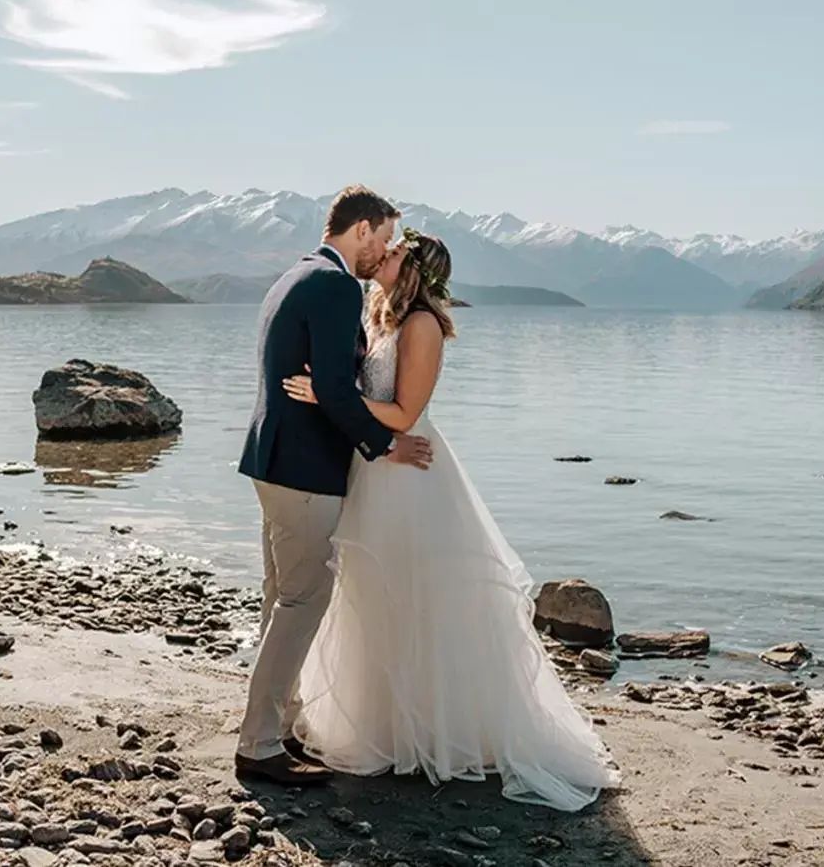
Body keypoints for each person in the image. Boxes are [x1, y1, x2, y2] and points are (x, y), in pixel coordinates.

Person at [279, 227, 620, 811]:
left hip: (410, 477)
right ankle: (379, 722)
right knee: (370, 593)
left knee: (411, 595)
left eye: (392, 253)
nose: (380, 255)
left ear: (413, 270)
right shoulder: (381, 314)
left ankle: (433, 731)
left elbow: (407, 411)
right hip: (376, 467)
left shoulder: (423, 326)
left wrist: (329, 397)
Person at [235, 185, 433, 785]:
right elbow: (337, 389)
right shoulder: (335, 284)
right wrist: (387, 446)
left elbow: (324, 381)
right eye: (386, 237)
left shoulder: (294, 276)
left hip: (274, 463)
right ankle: (260, 743)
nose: (386, 251)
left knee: (281, 597)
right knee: (302, 599)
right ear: (364, 230)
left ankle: (281, 726)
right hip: (304, 469)